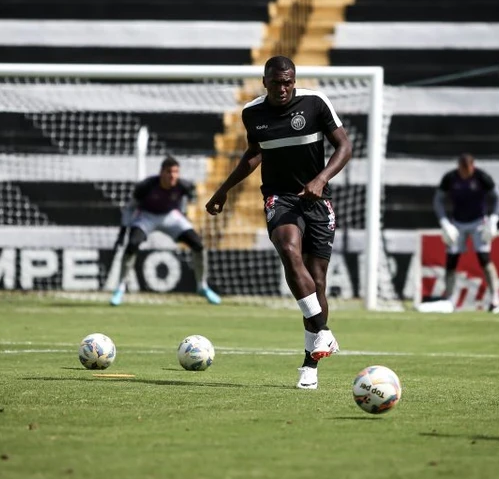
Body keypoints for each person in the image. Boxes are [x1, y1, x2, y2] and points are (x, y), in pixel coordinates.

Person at [205, 55, 353, 390]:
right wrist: (223, 190)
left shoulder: (316, 103)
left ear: (295, 80)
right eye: (277, 82)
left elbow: (344, 146)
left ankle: (310, 364)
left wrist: (320, 179)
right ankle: (324, 333)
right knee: (287, 247)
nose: (283, 88)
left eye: (289, 82)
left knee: (317, 282)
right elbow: (255, 154)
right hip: (279, 196)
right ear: (265, 82)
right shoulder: (252, 113)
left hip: (318, 198)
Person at [109, 157, 221, 306]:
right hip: (146, 217)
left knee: (198, 245)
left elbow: (189, 200)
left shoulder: (183, 186)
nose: (172, 176)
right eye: (169, 172)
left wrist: (185, 215)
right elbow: (130, 208)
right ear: (161, 173)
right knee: (132, 245)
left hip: (170, 216)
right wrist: (123, 232)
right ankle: (120, 288)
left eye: (176, 172)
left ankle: (202, 286)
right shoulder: (146, 186)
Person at [434, 154, 499, 312]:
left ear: (472, 166)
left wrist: (493, 219)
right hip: (457, 223)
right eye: (462, 169)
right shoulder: (450, 178)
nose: (465, 172)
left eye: (468, 169)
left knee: (484, 259)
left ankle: (495, 300)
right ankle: (449, 299)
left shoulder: (481, 177)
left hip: (479, 223)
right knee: (451, 260)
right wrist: (444, 222)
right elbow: (438, 200)